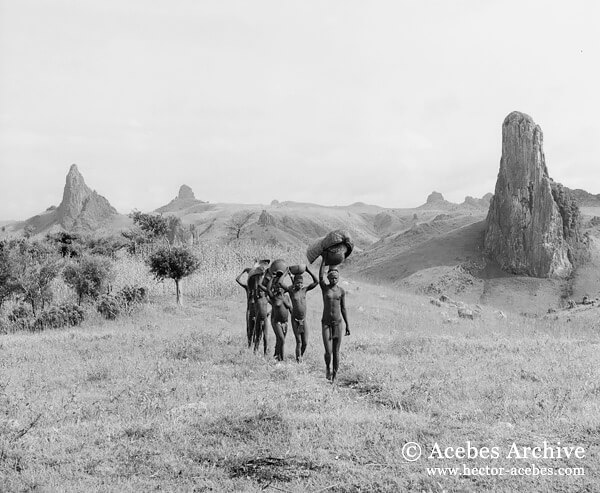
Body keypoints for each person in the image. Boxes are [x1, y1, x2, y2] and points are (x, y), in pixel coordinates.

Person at [318, 257, 350, 382]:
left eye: (335, 278)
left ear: (338, 278)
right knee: (328, 351)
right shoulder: (325, 288)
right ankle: (327, 367)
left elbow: (343, 308)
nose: (333, 280)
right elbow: (320, 277)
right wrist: (323, 261)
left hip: (338, 324)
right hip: (326, 323)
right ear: (328, 278)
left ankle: (334, 377)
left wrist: (348, 325)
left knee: (336, 352)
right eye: (331, 278)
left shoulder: (341, 291)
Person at [280, 267, 318, 362]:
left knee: (305, 342)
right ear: (294, 283)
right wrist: (286, 273)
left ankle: (300, 356)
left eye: (301, 283)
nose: (300, 284)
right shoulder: (291, 290)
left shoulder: (304, 290)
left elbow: (316, 281)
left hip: (303, 320)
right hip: (295, 320)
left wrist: (308, 270)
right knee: (299, 341)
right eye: (298, 283)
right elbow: (280, 282)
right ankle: (298, 361)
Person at [262, 272, 292, 361]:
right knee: (282, 340)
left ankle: (276, 356)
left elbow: (290, 308)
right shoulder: (274, 297)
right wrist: (272, 277)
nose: (279, 289)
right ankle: (282, 360)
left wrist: (290, 275)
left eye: (280, 287)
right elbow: (268, 289)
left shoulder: (286, 297)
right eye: (277, 287)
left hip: (285, 322)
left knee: (280, 341)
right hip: (276, 322)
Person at [235, 267, 256, 348]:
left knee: (256, 328)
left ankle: (254, 344)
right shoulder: (248, 288)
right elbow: (237, 279)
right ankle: (249, 344)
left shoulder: (258, 288)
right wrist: (243, 272)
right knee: (249, 328)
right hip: (249, 310)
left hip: (256, 310)